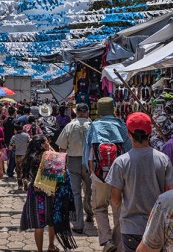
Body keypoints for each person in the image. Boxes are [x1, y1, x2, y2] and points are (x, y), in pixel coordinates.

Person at [106, 112, 173, 252]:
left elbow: (115, 199)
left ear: (128, 134)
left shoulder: (121, 162)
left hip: (131, 227)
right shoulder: (163, 159)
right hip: (158, 226)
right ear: (150, 133)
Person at [83, 97, 131, 252]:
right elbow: (129, 149)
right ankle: (119, 244)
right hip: (120, 175)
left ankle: (107, 240)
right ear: (113, 109)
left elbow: (87, 153)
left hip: (98, 175)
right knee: (118, 208)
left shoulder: (93, 126)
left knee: (99, 208)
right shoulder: (121, 125)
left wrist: (91, 172)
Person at [20, 135, 76, 252]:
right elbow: (60, 165)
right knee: (51, 222)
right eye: (46, 142)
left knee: (38, 225)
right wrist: (51, 149)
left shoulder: (29, 158)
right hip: (49, 193)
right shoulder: (48, 157)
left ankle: (39, 250)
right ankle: (51, 246)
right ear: (42, 144)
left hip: (34, 194)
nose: (48, 143)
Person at [56, 102, 93, 234]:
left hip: (73, 162)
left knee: (76, 193)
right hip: (90, 162)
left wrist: (62, 165)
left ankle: (78, 224)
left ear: (76, 112)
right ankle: (90, 213)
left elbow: (61, 148)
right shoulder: (92, 126)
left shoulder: (70, 126)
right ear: (87, 112)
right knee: (90, 191)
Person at [9, 123, 31, 190]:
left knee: (18, 170)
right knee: (26, 169)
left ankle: (20, 185)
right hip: (26, 155)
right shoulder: (27, 135)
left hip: (18, 155)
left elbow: (10, 147)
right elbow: (30, 142)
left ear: (15, 130)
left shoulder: (14, 137)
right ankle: (26, 182)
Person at [3, 106, 17, 178]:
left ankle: (10, 170)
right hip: (13, 141)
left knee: (10, 156)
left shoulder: (5, 121)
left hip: (7, 140)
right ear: (14, 112)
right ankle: (10, 171)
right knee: (12, 157)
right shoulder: (15, 121)